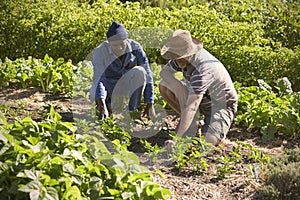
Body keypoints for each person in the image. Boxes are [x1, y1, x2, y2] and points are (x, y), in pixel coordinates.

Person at [159, 29, 238, 146]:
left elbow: (192, 106)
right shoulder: (179, 59)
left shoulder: (203, 68)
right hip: (200, 99)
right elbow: (164, 73)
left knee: (208, 142)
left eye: (180, 55)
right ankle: (192, 123)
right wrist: (176, 85)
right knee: (165, 85)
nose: (177, 58)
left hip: (220, 105)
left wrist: (177, 139)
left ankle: (217, 134)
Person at [89, 22, 155, 119]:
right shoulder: (100, 51)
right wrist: (102, 106)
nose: (120, 48)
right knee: (96, 96)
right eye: (115, 45)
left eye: (122, 44)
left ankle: (132, 111)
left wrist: (150, 102)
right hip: (109, 85)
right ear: (109, 43)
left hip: (126, 85)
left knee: (140, 71)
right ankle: (106, 106)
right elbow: (99, 79)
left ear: (126, 40)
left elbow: (148, 74)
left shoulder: (135, 47)